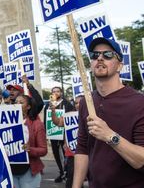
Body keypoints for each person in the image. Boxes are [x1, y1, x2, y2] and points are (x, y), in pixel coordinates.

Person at [73, 38, 144, 188]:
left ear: (120, 66)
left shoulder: (139, 103)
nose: (100, 58)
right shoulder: (87, 101)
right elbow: (82, 148)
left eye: (108, 55)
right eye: (95, 55)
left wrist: (109, 136)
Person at [12, 95, 47, 188]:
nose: (17, 104)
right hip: (11, 171)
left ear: (28, 107)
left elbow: (43, 150)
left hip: (29, 171)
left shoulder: (37, 124)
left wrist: (29, 149)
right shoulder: (5, 124)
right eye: (16, 102)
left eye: (21, 102)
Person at [51, 95, 83, 188]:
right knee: (72, 178)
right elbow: (57, 122)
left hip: (88, 153)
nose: (78, 105)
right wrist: (53, 112)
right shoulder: (69, 116)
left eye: (81, 102)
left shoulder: (92, 116)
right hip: (72, 153)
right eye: (76, 103)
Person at [45, 86, 74, 183]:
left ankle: (67, 173)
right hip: (53, 134)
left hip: (64, 134)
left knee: (65, 154)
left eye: (58, 91)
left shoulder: (67, 104)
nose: (56, 93)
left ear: (61, 93)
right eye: (54, 92)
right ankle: (62, 172)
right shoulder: (48, 105)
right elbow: (46, 119)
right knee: (56, 154)